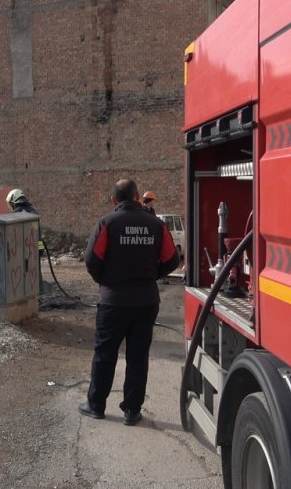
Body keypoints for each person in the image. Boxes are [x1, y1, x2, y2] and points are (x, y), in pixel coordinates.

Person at [79, 179, 179, 426]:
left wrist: (106, 280)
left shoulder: (107, 223)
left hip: (113, 301)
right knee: (138, 356)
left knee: (105, 354)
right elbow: (172, 259)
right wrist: (152, 275)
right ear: (137, 197)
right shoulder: (156, 225)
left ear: (114, 200)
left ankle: (96, 405)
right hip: (146, 301)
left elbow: (92, 260)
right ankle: (132, 411)